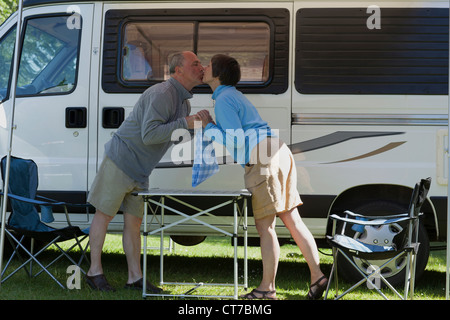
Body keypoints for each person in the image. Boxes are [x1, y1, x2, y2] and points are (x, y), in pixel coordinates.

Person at [198, 54, 327, 300]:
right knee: (292, 219)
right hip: (278, 149)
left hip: (263, 156)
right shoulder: (233, 95)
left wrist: (209, 128)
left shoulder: (224, 98)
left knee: (265, 226)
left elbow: (236, 140)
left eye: (208, 65)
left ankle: (267, 289)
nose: (203, 68)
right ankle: (317, 277)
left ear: (217, 75)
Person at [85, 51, 205, 292]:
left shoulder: (184, 102)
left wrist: (197, 128)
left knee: (134, 223)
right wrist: (186, 123)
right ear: (178, 70)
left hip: (141, 170)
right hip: (121, 160)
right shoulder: (163, 94)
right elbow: (150, 135)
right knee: (104, 214)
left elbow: (173, 137)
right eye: (195, 64)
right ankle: (94, 272)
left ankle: (134, 278)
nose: (201, 67)